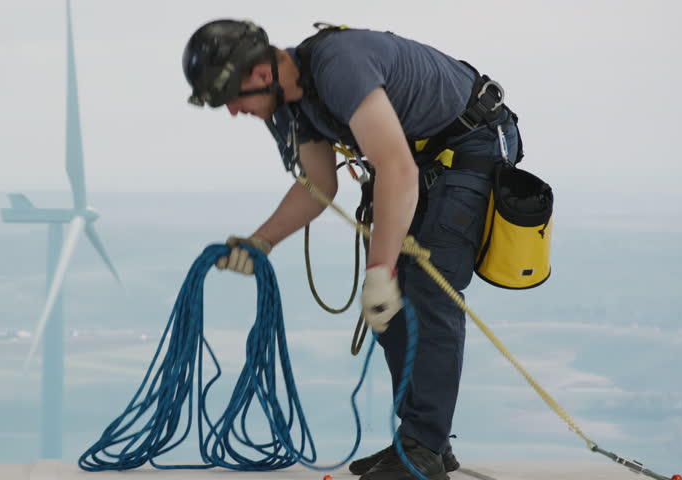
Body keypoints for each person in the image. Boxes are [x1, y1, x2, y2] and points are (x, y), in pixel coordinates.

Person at [183, 19, 521, 480]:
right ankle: (424, 442)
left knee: (424, 290)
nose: (234, 112)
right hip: (421, 162)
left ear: (260, 74)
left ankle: (423, 447)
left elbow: (396, 170)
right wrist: (260, 243)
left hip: (470, 146)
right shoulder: (293, 102)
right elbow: (318, 185)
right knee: (389, 302)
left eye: (232, 99)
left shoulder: (337, 67)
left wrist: (380, 270)